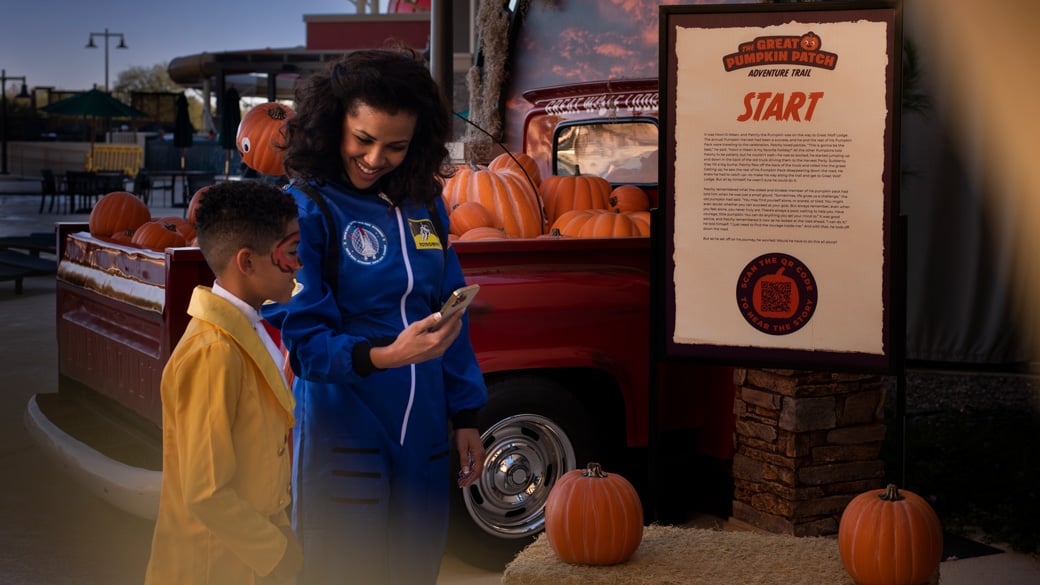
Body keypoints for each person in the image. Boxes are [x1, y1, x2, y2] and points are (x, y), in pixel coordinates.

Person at [261, 48, 488, 584]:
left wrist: (467, 416)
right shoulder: (304, 209)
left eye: (396, 146)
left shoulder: (426, 204)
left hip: (427, 437)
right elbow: (308, 345)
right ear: (332, 122)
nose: (374, 158)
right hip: (346, 433)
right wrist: (388, 356)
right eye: (362, 139)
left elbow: (451, 314)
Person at [144, 181, 304, 585]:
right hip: (215, 564)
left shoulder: (247, 328)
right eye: (290, 253)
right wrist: (278, 552)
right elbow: (206, 491)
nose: (298, 265)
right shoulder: (213, 352)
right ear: (246, 262)